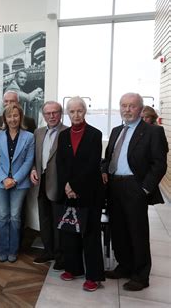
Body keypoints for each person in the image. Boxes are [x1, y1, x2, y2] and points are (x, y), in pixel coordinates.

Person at [102, 93, 168, 291]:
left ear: (140, 109)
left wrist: (144, 188)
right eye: (123, 105)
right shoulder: (115, 131)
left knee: (137, 231)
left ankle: (140, 275)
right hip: (114, 186)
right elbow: (107, 158)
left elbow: (159, 164)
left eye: (131, 106)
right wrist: (104, 170)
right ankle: (124, 266)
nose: (127, 109)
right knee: (118, 229)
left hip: (135, 187)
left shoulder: (152, 132)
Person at [56, 96, 104, 292]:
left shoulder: (95, 134)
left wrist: (74, 186)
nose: (76, 115)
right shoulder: (63, 135)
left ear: (85, 112)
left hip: (90, 192)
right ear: (68, 114)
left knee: (90, 235)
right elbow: (61, 163)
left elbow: (92, 164)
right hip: (69, 191)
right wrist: (67, 186)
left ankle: (93, 276)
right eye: (72, 111)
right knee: (70, 232)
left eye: (79, 111)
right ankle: (73, 268)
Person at [0, 90, 37, 248]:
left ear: (20, 117)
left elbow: (29, 160)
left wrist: (15, 179)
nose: (12, 119)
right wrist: (4, 178)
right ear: (5, 118)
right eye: (9, 116)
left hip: (19, 183)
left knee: (15, 217)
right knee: (3, 217)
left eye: (15, 116)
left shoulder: (29, 137)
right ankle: (3, 249)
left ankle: (13, 250)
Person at [30, 101, 67, 270]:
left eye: (55, 112)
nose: (51, 116)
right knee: (44, 219)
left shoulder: (67, 132)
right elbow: (34, 156)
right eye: (48, 113)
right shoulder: (38, 132)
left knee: (58, 220)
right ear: (43, 115)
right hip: (40, 182)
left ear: (60, 114)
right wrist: (32, 169)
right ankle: (48, 251)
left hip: (59, 183)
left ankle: (60, 255)